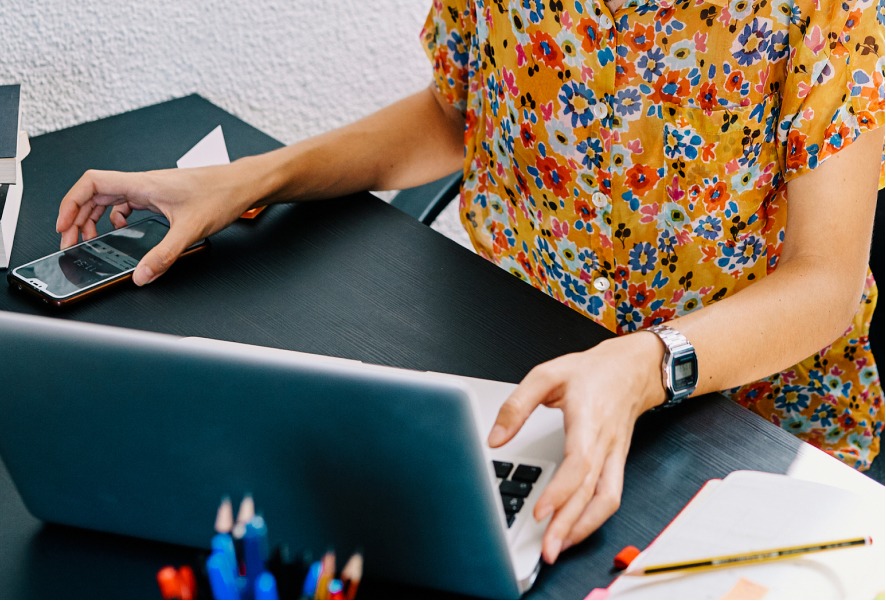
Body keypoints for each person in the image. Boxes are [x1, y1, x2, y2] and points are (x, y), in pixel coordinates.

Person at [57, 0, 883, 565]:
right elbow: (454, 116)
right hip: (518, 374)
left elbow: (826, 281)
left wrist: (642, 365)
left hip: (747, 422)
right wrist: (252, 178)